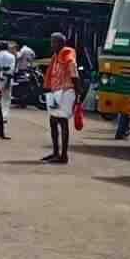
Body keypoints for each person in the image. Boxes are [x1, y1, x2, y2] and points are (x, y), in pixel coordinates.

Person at [43, 33, 78, 164]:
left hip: (65, 91)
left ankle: (63, 155)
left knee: (62, 121)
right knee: (53, 121)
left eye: (54, 42)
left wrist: (78, 93)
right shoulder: (56, 56)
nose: (51, 45)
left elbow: (73, 73)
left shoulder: (67, 54)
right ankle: (55, 152)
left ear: (61, 43)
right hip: (56, 91)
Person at [0, 41, 16, 139]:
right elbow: (11, 71)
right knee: (6, 99)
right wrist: (7, 83)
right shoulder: (11, 56)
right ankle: (4, 117)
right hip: (7, 79)